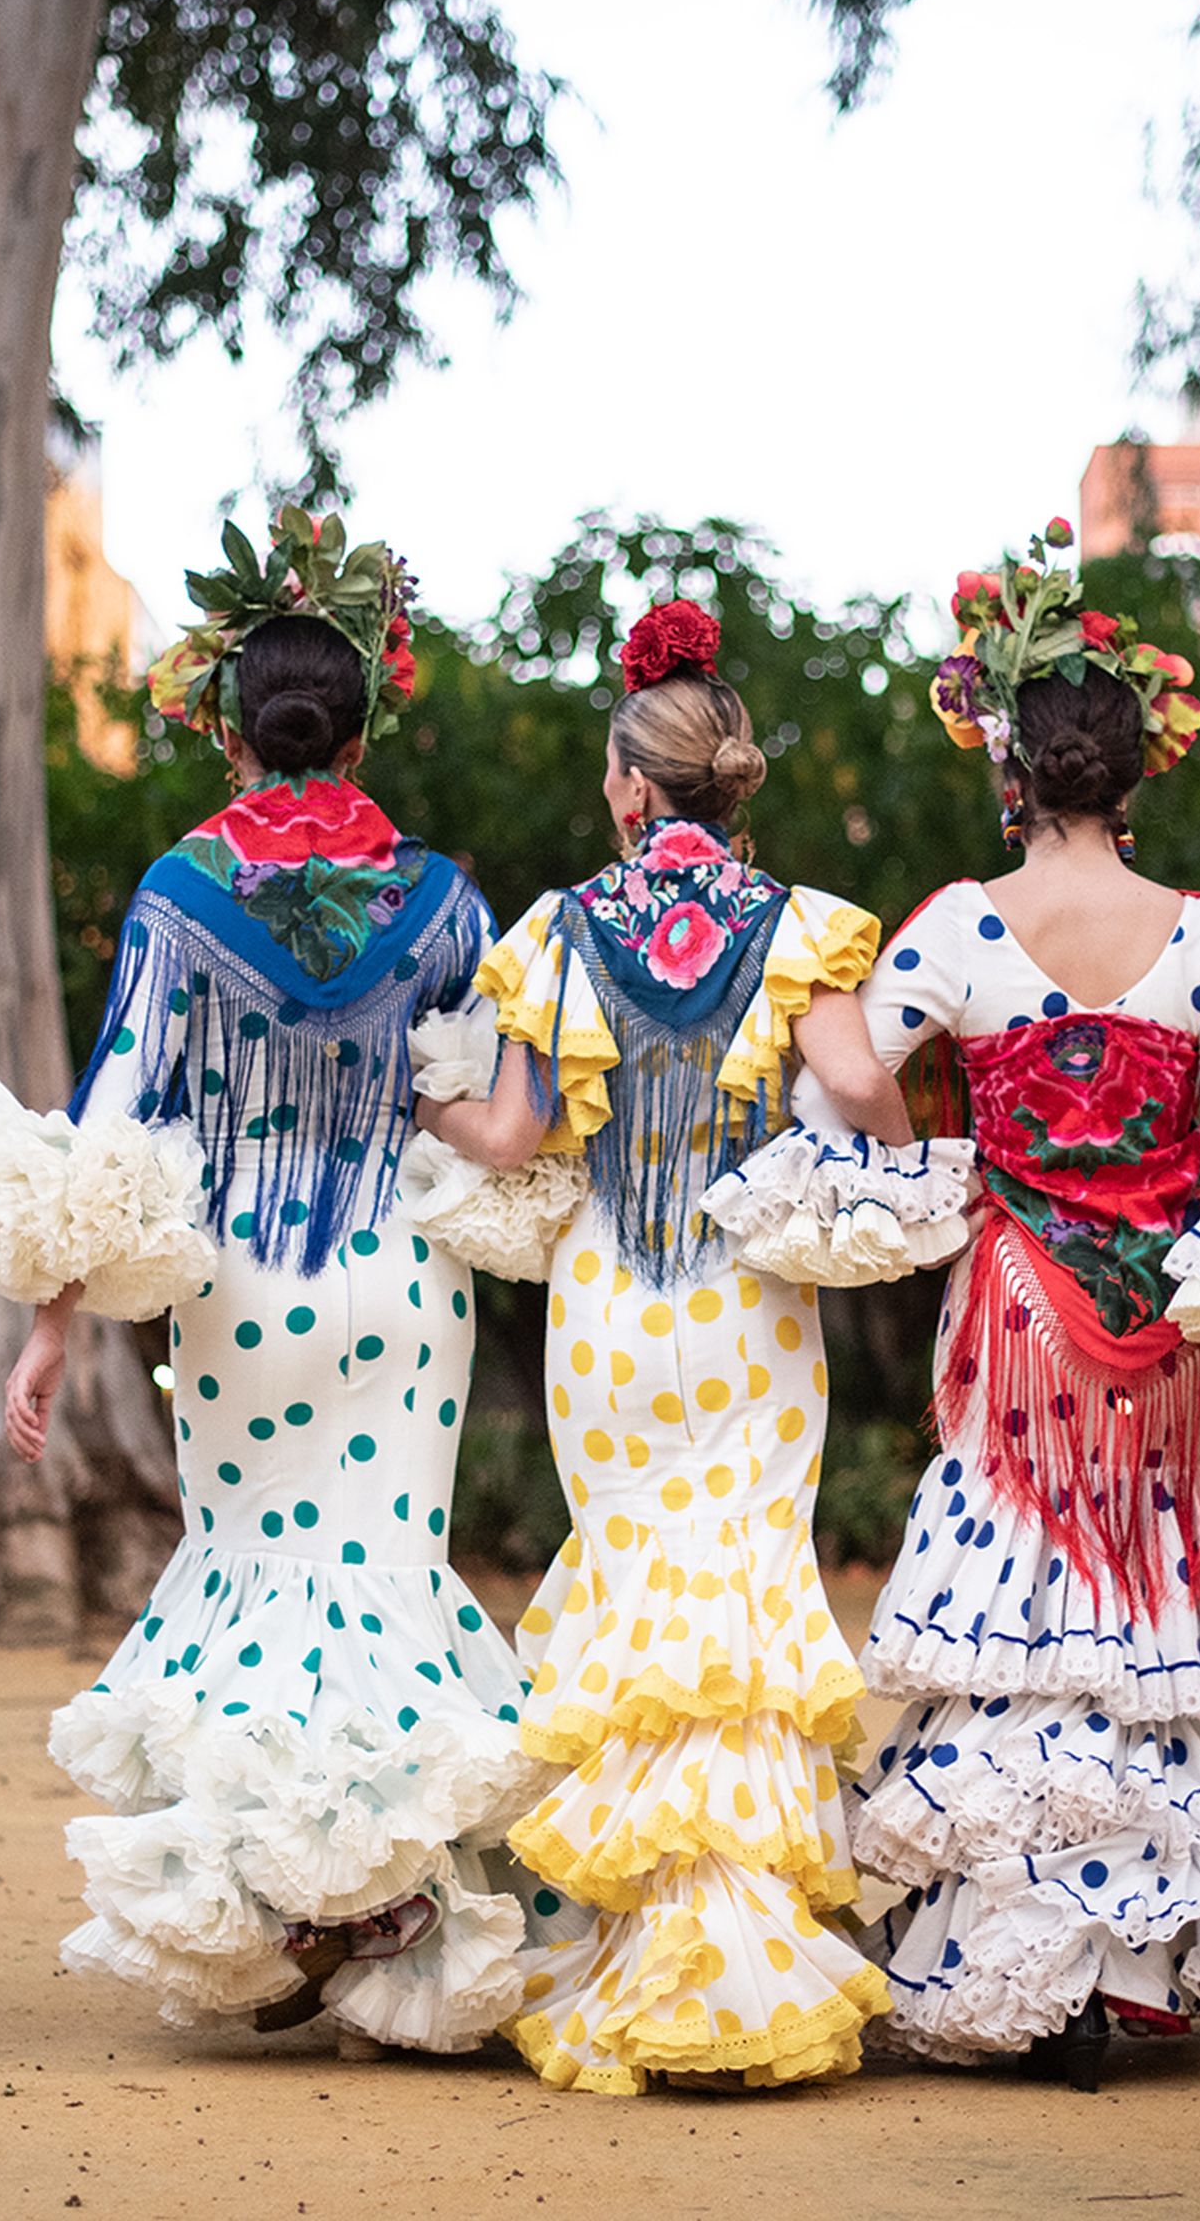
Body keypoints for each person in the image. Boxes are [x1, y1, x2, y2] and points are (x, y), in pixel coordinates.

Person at [0, 509, 551, 2054]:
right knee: (386, 1575)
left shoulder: (178, 896)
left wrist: (53, 1328)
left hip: (239, 1295)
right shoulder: (445, 900)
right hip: (404, 1293)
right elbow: (500, 1113)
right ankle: (381, 1898)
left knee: (255, 1576)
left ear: (229, 727)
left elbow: (118, 1127)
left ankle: (285, 1904)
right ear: (361, 721)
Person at [818, 527, 1200, 2086]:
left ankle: (1026, 1965)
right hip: (1169, 1330)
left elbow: (854, 1077)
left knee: (1025, 1610)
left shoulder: (955, 927)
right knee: (1151, 1611)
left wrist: (839, 1044)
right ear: (1134, 774)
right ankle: (1138, 1962)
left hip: (1017, 1311)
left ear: (1013, 768)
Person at [416, 600, 930, 2094]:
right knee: (744, 1597)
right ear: (730, 782)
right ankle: (742, 1947)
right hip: (751, 1310)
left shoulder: (561, 929)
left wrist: (423, 1106)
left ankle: (632, 1949)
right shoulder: (800, 927)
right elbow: (857, 1079)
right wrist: (883, 1170)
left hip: (608, 1319)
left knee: (638, 1605)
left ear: (633, 788)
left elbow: (512, 1132)